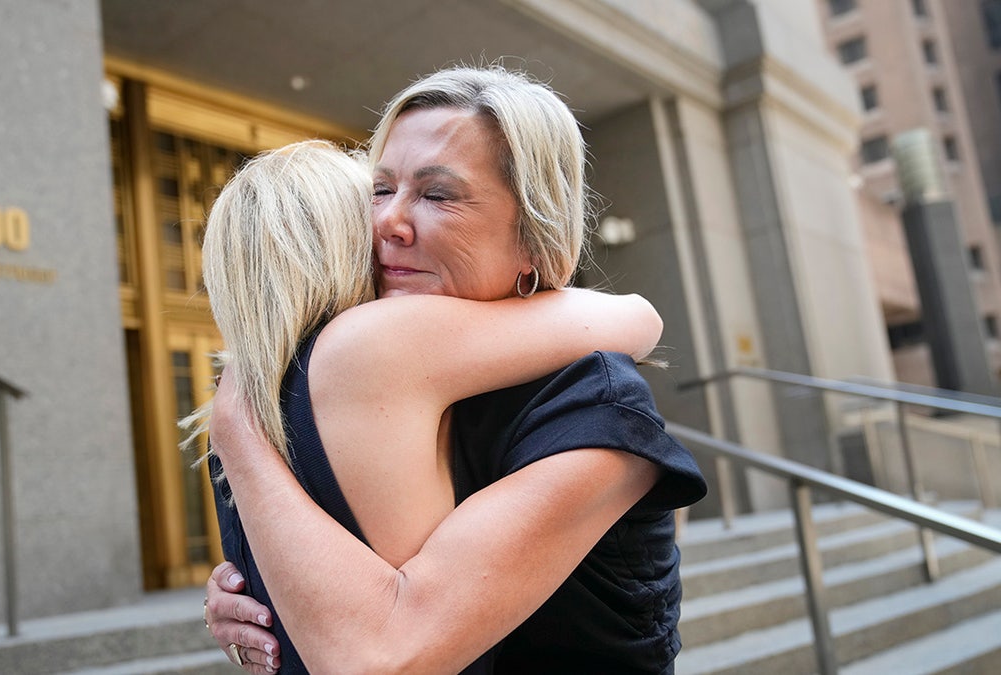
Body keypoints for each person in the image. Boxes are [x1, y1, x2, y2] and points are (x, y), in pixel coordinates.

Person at [203, 66, 707, 675]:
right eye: (380, 189)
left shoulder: (593, 406)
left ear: (534, 240)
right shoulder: (353, 384)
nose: (388, 221)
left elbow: (384, 656)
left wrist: (239, 435)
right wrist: (264, 587)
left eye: (438, 195)